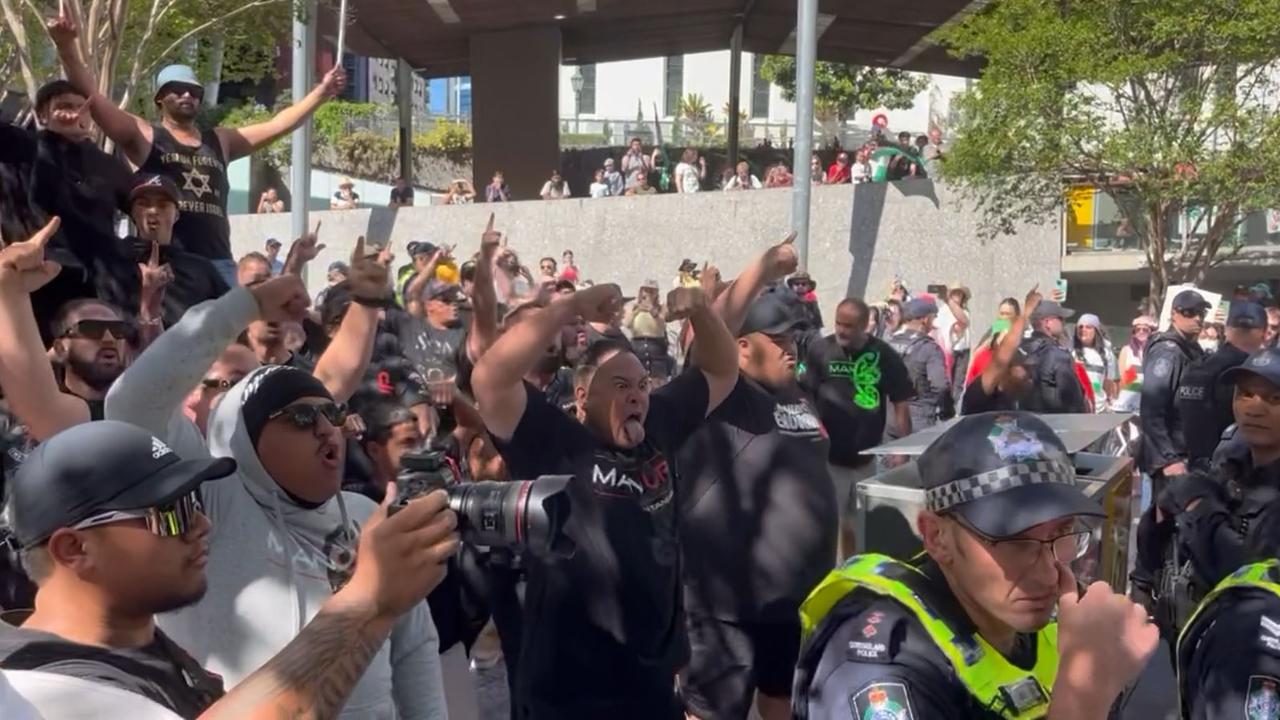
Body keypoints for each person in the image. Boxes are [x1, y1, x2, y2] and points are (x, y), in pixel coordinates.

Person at [0, 420, 459, 720]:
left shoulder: (143, 650)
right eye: (172, 512)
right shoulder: (33, 690)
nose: (202, 524)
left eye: (196, 502)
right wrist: (368, 600)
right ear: (75, 548)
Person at [470, 278, 739, 718]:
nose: (635, 394)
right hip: (569, 690)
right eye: (619, 385)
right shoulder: (554, 443)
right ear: (582, 397)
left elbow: (720, 372)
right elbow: (489, 379)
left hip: (650, 683)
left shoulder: (660, 427)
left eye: (641, 385)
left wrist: (702, 312)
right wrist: (569, 305)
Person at [792, 412, 1160, 720]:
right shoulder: (878, 663)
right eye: (1015, 542)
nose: (1049, 572)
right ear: (936, 537)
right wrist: (1086, 690)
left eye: (1063, 532)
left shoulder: (1054, 610)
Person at [49, 10, 345, 287]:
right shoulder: (145, 135)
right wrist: (67, 48)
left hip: (220, 263)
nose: (187, 94)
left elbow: (280, 124)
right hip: (169, 264)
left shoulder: (221, 140)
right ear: (160, 98)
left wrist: (322, 92)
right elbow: (94, 99)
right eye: (177, 89)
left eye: (194, 90)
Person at [679, 284, 835, 720]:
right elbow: (709, 344)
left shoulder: (797, 393)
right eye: (780, 339)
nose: (793, 349)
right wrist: (762, 270)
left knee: (784, 701)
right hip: (728, 605)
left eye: (793, 339)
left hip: (795, 598)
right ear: (742, 347)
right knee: (712, 711)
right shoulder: (719, 397)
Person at [801, 298, 913, 559]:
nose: (841, 330)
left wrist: (902, 448)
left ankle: (854, 574)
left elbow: (901, 402)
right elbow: (804, 396)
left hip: (865, 460)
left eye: (849, 326)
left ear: (865, 325)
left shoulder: (884, 355)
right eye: (839, 323)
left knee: (860, 526)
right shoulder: (820, 351)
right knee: (830, 524)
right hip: (829, 459)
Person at [100, 173, 229, 329]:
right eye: (143, 204)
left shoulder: (200, 269)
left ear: (176, 215)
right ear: (132, 213)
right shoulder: (113, 263)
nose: (153, 210)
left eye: (162, 205)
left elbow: (230, 320)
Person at [1172, 301, 1265, 471]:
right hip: (1236, 473)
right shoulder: (1250, 375)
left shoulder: (1196, 367)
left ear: (1227, 330)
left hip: (1194, 468)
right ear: (1264, 334)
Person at [1140, 289, 1209, 484]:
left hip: (1186, 451)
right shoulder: (1168, 352)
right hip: (1172, 457)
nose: (1197, 318)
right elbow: (1152, 409)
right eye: (1190, 312)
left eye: (1201, 313)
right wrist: (1168, 459)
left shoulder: (1190, 349)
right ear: (1174, 314)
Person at [888, 298, 951, 435]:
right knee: (920, 456)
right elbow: (940, 385)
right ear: (925, 320)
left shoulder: (889, 343)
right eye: (933, 318)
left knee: (888, 455)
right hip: (918, 417)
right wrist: (946, 411)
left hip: (890, 416)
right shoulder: (929, 348)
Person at [1018, 301, 1090, 414]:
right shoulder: (1058, 356)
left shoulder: (1019, 350)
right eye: (1060, 319)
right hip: (1055, 424)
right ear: (1047, 323)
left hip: (1025, 422)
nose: (1064, 323)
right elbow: (1073, 402)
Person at [1071, 314, 1118, 412]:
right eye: (1080, 327)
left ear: (1096, 331)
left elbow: (1108, 384)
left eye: (1088, 327)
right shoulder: (1071, 352)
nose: (1083, 329)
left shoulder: (1106, 354)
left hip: (1099, 409)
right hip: (1078, 408)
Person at [1115, 315, 1156, 414]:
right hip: (1127, 403)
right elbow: (1121, 380)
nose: (1141, 332)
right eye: (1138, 330)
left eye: (1145, 330)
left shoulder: (1155, 352)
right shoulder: (1126, 350)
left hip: (1147, 404)